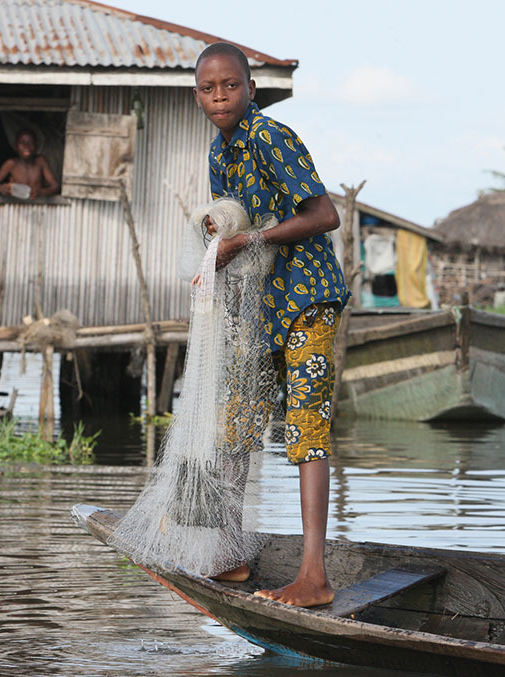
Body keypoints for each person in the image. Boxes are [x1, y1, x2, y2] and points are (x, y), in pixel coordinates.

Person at [193, 42, 349, 607]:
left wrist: (249, 241)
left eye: (230, 86)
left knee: (305, 427)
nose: (220, 96)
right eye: (209, 89)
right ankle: (231, 553)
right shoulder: (219, 154)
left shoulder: (270, 137)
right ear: (198, 95)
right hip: (259, 305)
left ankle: (314, 576)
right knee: (236, 423)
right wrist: (215, 259)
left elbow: (324, 214)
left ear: (251, 89)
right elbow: (230, 228)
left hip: (307, 298)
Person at [0, 129, 60, 199]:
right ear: (16, 146)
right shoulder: (11, 164)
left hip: (37, 206)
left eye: (30, 142)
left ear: (36, 146)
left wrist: (41, 192)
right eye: (22, 143)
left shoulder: (40, 161)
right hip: (16, 207)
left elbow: (56, 186)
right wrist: (0, 188)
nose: (27, 146)